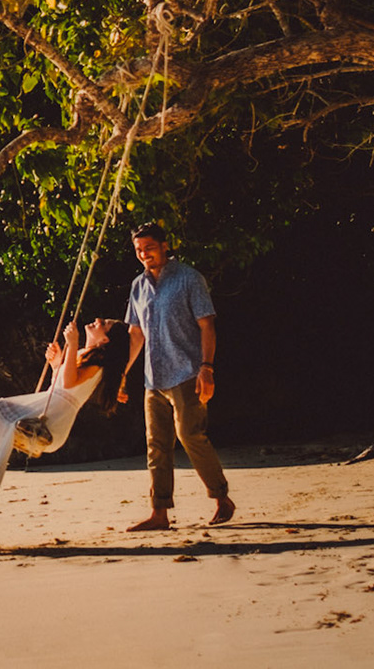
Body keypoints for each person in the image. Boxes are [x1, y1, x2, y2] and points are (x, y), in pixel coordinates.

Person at [0, 317, 121, 548]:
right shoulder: (85, 354)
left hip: (49, 421)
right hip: (46, 408)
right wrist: (57, 363)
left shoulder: (98, 361)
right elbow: (60, 386)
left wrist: (71, 344)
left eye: (105, 323)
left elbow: (68, 386)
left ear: (105, 339)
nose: (98, 320)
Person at [119, 223, 234, 529]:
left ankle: (221, 497)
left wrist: (207, 368)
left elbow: (207, 325)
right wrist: (122, 374)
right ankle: (159, 513)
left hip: (187, 372)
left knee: (190, 435)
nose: (145, 255)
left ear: (165, 246)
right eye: (139, 250)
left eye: (150, 248)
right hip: (152, 378)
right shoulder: (138, 286)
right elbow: (135, 335)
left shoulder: (188, 278)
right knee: (155, 444)